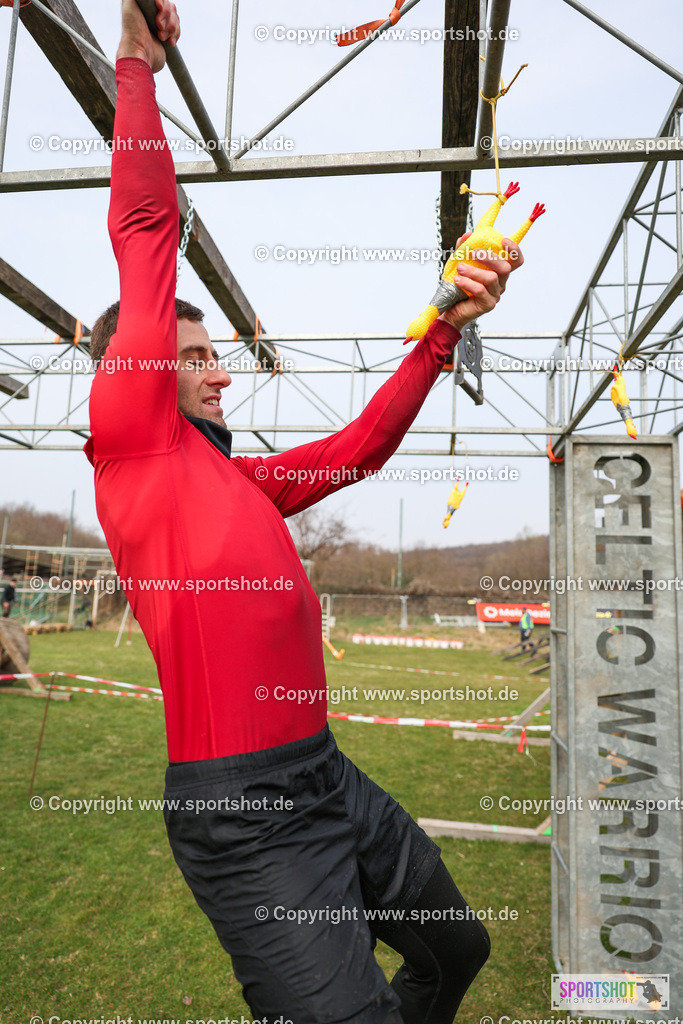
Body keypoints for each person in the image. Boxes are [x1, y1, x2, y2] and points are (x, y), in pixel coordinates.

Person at [85, 3, 525, 1021]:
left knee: (456, 949)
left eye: (212, 356)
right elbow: (149, 229)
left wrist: (439, 333)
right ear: (136, 370)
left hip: (325, 775)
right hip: (242, 817)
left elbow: (359, 449)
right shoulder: (133, 443)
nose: (218, 373)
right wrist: (136, 69)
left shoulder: (235, 482)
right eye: (194, 357)